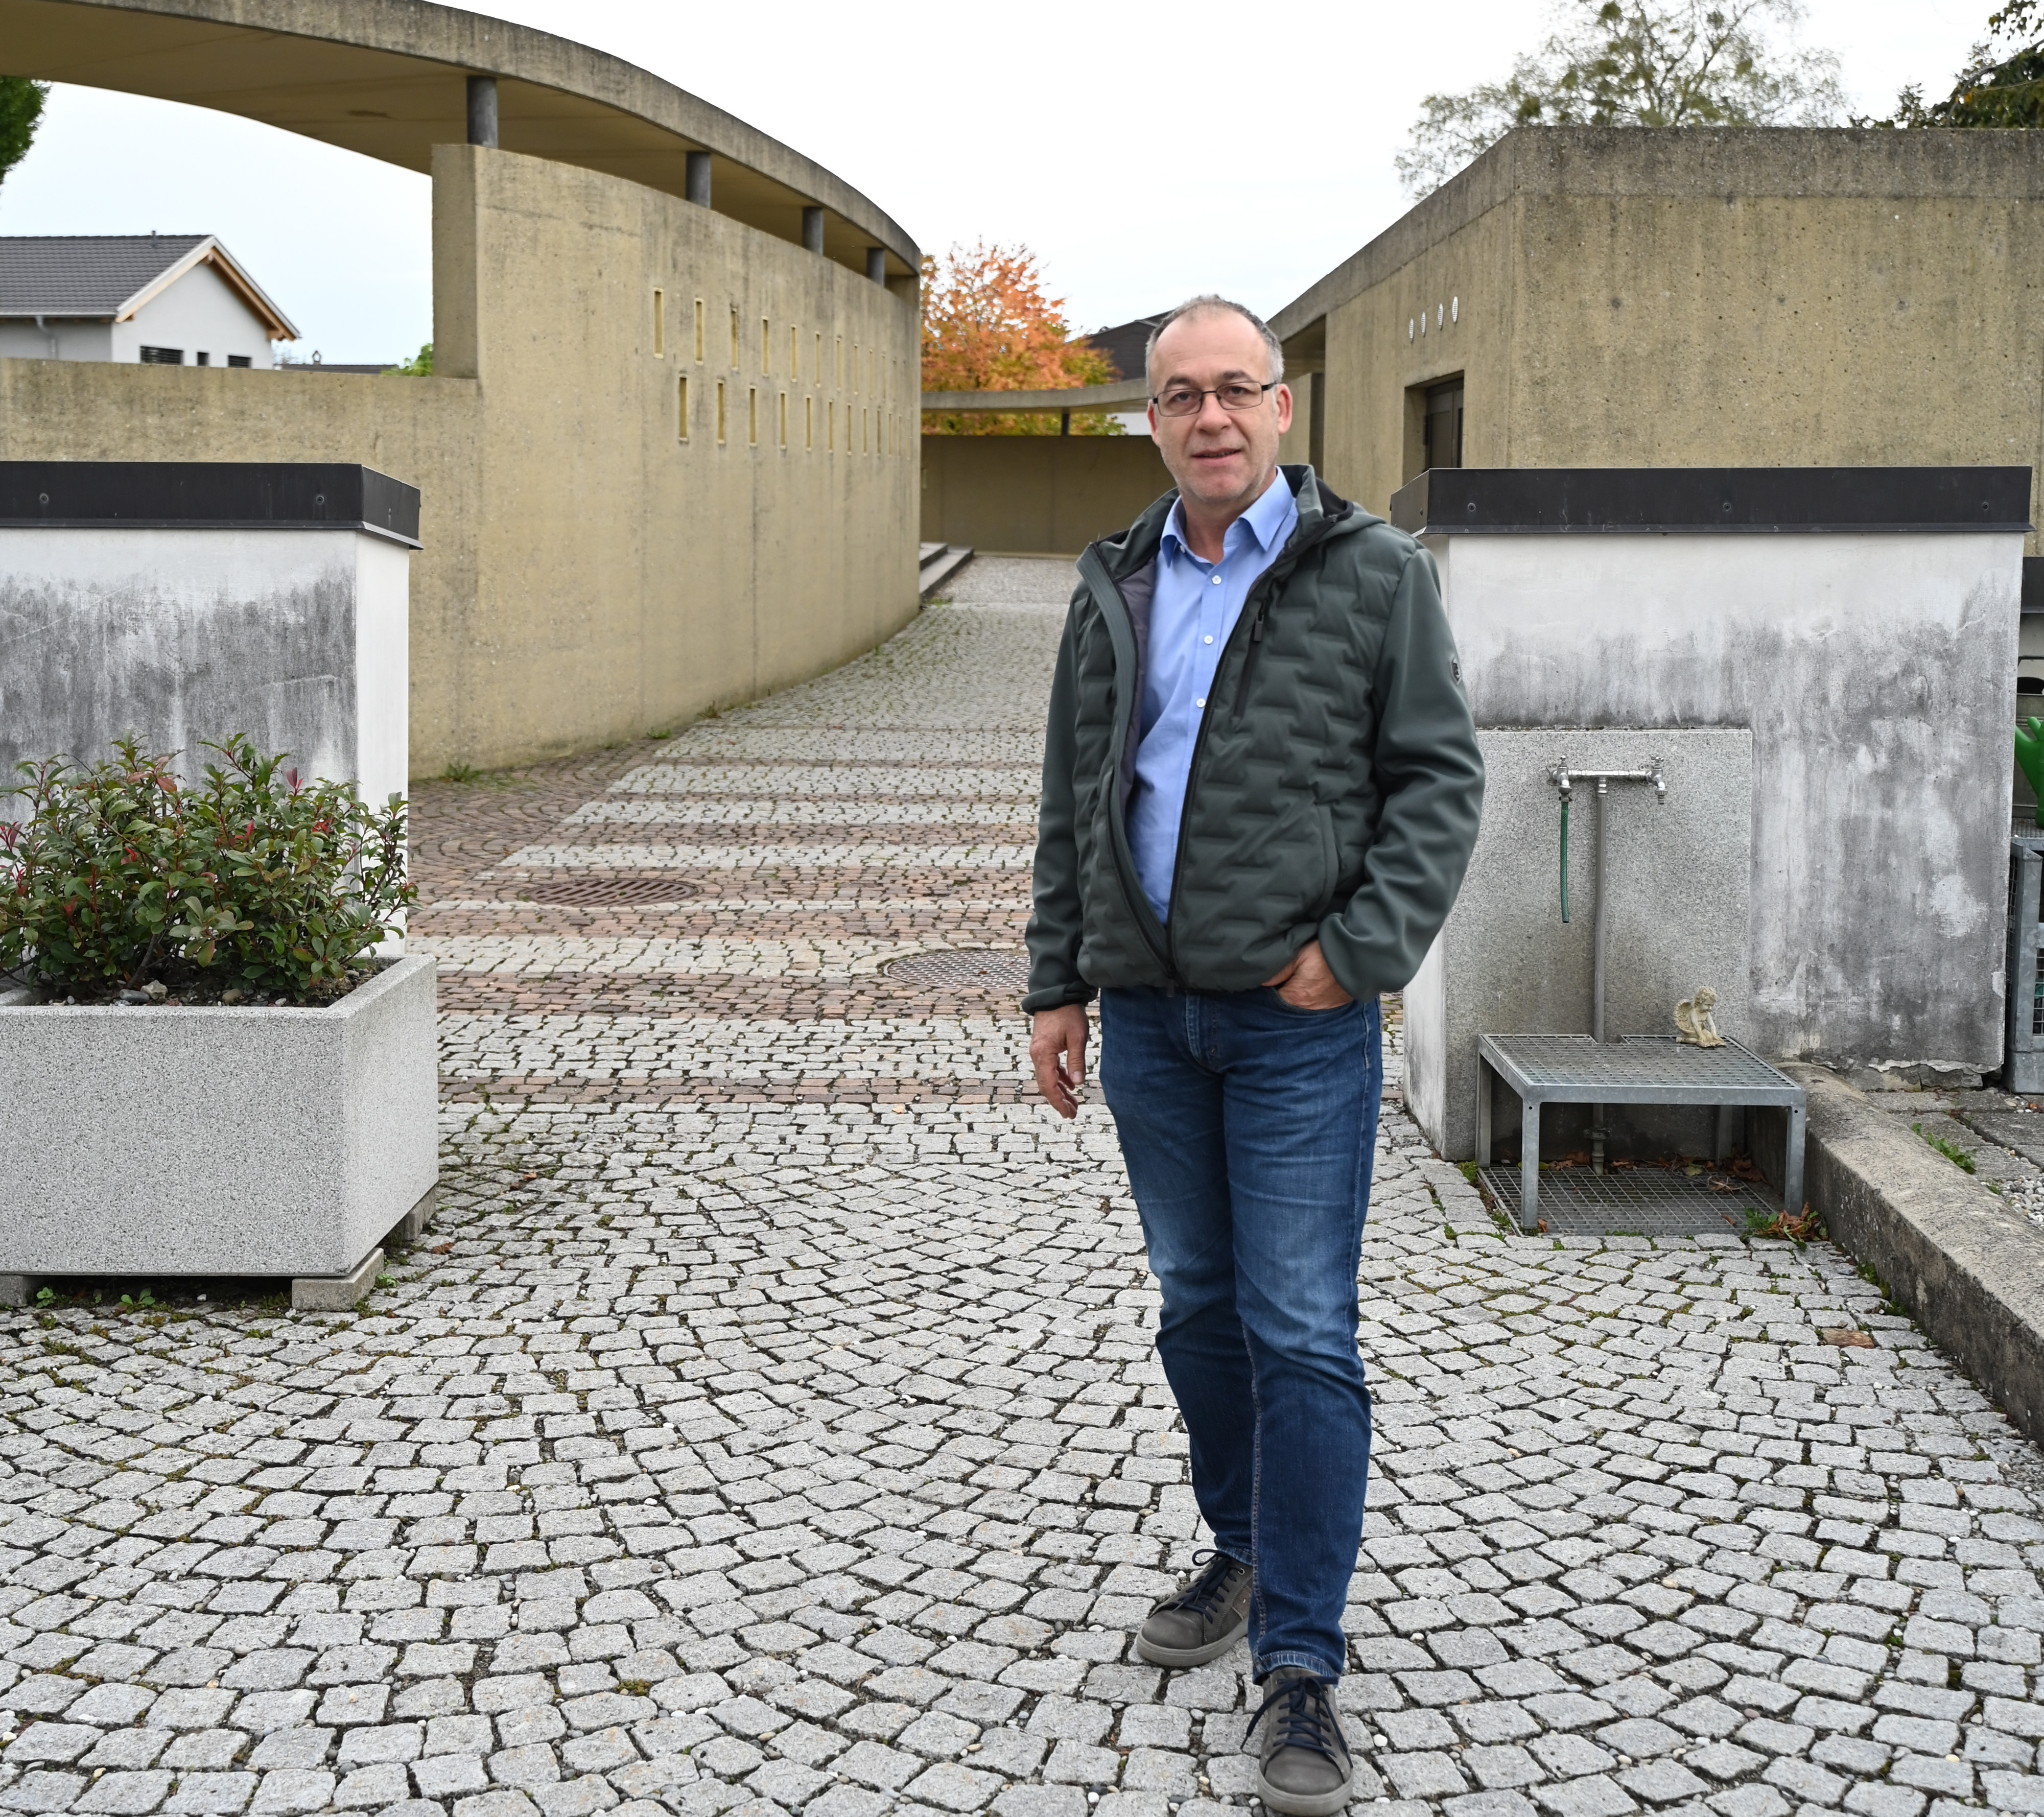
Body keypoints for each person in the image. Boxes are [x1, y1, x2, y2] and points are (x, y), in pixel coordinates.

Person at [1023, 296, 1484, 1816]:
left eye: (1236, 389)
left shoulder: (1374, 573)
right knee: (1198, 1312)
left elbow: (1438, 779)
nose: (1210, 416)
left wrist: (1356, 953)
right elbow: (1073, 795)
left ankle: (1299, 1661)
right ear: (1150, 420)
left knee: (1300, 1330)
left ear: (1283, 408)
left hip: (1295, 1027)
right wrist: (1056, 981)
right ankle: (1239, 1544)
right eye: (1181, 395)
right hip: (1149, 1021)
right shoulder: (1115, 579)